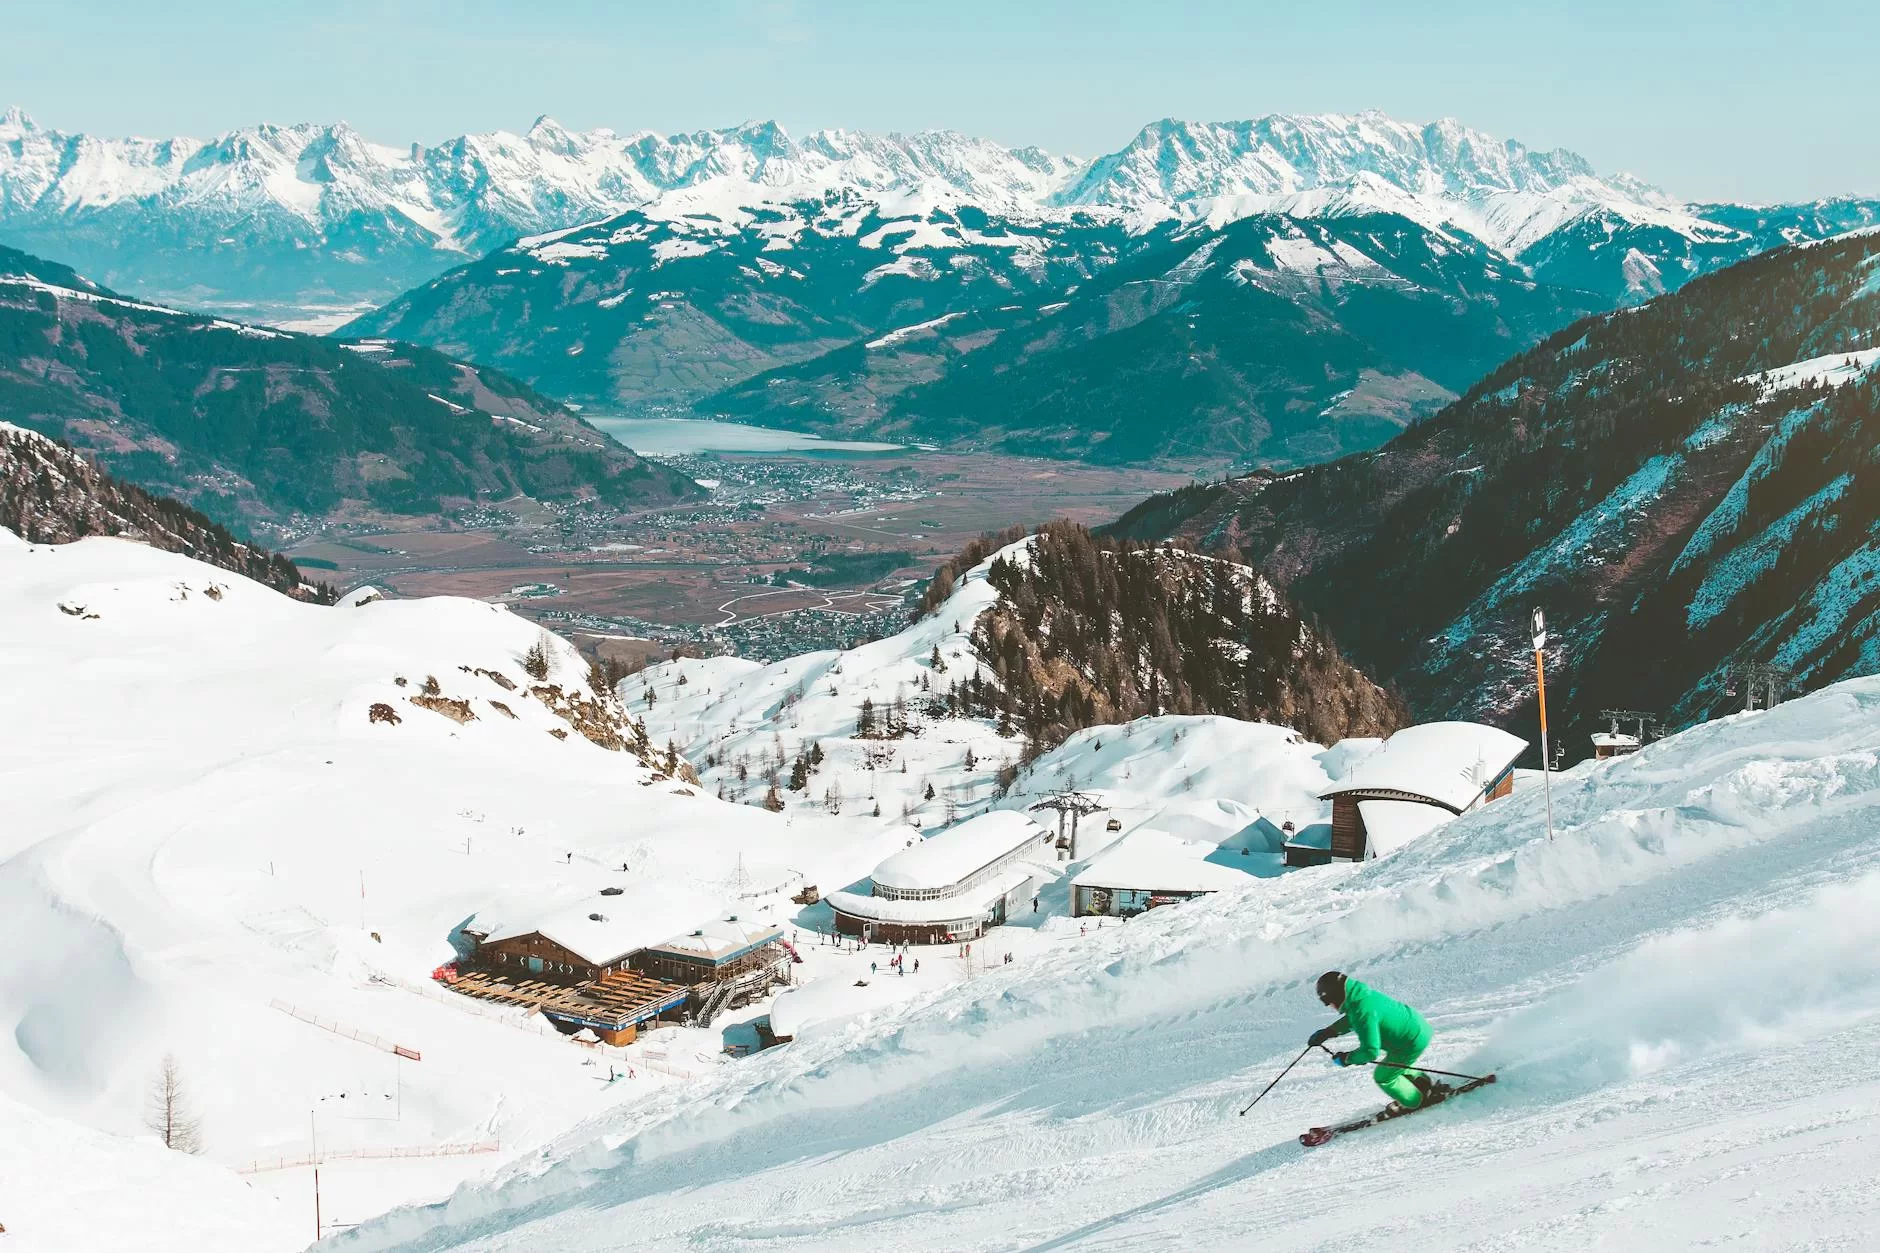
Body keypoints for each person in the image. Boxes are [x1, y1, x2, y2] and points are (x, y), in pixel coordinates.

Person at [1306, 971, 1434, 1111]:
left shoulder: (1362, 1010)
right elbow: (1354, 1018)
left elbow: (1370, 1051)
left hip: (1410, 1042)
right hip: (1417, 1028)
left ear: (1337, 996)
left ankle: (1416, 1101)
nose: (1332, 1007)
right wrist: (1329, 1031)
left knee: (1383, 1076)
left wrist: (1347, 1059)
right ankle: (1422, 1082)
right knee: (1394, 1065)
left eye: (1330, 1003)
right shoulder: (1361, 997)